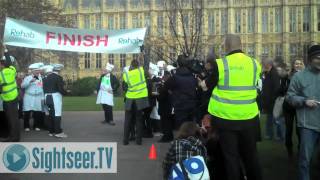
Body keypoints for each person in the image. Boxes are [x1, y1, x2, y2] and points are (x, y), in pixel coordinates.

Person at [200, 34, 262, 180]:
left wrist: (201, 83)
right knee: (251, 157)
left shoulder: (221, 64)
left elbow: (206, 86)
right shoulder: (254, 64)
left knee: (231, 158)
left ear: (226, 47)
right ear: (241, 46)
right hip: (249, 118)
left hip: (225, 119)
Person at [286, 45, 320, 180]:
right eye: (318, 58)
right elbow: (289, 97)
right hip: (308, 125)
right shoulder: (299, 77)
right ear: (311, 59)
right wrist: (304, 101)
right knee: (305, 160)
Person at [163, 54, 198, 129]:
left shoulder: (175, 77)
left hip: (180, 106)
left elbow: (165, 87)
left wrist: (172, 93)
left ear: (178, 64)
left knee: (182, 129)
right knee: (191, 128)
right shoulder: (192, 76)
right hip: (192, 105)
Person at [122, 54, 149, 145]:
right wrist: (143, 54)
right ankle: (139, 140)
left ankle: (125, 140)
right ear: (138, 66)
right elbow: (145, 65)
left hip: (129, 98)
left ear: (131, 66)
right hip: (139, 99)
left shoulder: (126, 75)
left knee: (127, 120)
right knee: (139, 120)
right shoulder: (141, 71)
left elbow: (124, 86)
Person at [283, 59, 304, 157]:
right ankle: (289, 149)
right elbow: (281, 90)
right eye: (296, 63)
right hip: (288, 106)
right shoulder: (287, 76)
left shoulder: (305, 76)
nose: (298, 65)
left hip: (299, 106)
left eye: (300, 64)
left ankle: (300, 149)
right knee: (289, 129)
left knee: (299, 129)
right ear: (293, 65)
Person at [0, 45, 20, 142]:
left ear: (2, 65)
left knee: (11, 120)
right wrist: (6, 50)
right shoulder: (12, 70)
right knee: (15, 119)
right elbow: (9, 61)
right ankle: (15, 136)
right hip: (15, 97)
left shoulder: (0, 74)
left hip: (7, 99)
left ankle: (13, 137)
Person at [43, 64, 68, 138]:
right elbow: (60, 89)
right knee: (57, 114)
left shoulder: (45, 78)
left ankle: (51, 131)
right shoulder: (58, 77)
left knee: (51, 114)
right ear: (59, 70)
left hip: (47, 97)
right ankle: (58, 132)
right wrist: (66, 93)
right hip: (55, 97)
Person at [261, 57, 281, 140]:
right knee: (270, 119)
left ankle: (278, 135)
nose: (262, 65)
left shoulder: (274, 74)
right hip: (269, 101)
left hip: (273, 101)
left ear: (268, 64)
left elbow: (276, 88)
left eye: (263, 63)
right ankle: (270, 134)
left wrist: (273, 99)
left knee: (275, 119)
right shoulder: (267, 73)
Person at [21, 63, 45, 132]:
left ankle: (36, 126)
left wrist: (42, 97)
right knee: (27, 112)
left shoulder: (41, 78)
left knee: (37, 112)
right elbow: (22, 86)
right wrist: (30, 81)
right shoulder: (27, 78)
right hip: (28, 97)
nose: (38, 72)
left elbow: (42, 88)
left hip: (38, 97)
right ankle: (26, 126)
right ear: (33, 71)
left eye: (38, 70)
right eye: (36, 71)